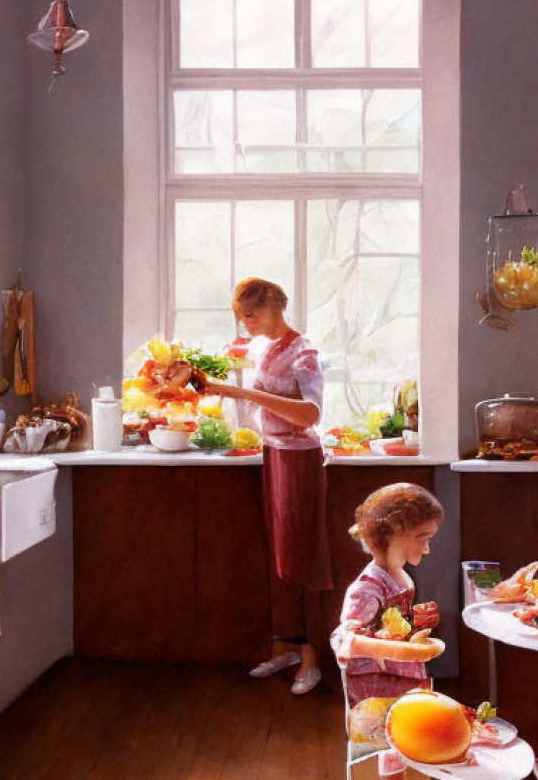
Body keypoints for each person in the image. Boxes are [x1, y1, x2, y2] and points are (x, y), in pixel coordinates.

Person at [203, 277, 331, 696]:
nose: (246, 323)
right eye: (241, 316)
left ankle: (311, 658)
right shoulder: (266, 348)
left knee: (304, 555)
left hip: (300, 460)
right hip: (274, 455)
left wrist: (243, 392)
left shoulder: (304, 351)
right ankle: (289, 647)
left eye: (251, 314)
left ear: (275, 306)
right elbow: (254, 396)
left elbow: (310, 414)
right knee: (280, 555)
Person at [330, 483, 446, 779]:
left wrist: (419, 626)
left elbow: (395, 624)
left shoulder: (400, 576)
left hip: (403, 679)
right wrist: (396, 646)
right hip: (377, 688)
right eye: (423, 538)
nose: (428, 548)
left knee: (407, 747)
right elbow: (344, 640)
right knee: (394, 747)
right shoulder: (367, 588)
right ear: (395, 531)